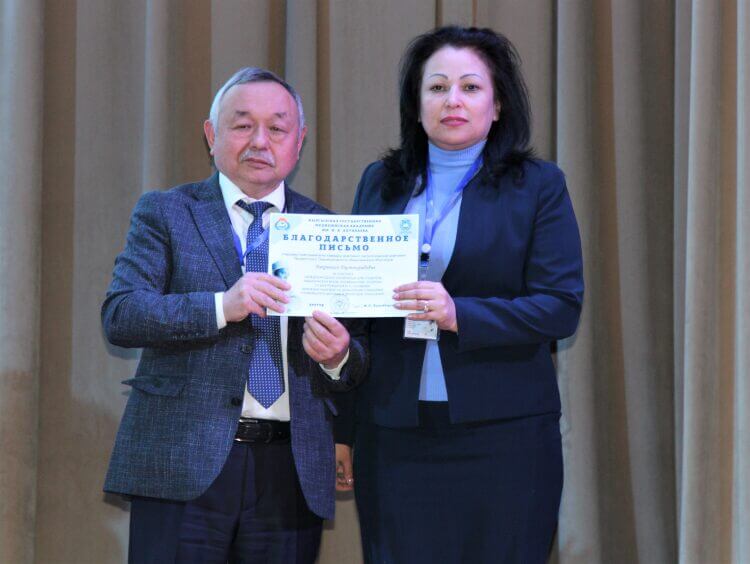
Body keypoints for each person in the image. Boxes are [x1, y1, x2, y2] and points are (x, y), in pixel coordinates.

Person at [334, 26, 584, 563]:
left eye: (470, 87)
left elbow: (560, 307)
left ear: (498, 105)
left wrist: (458, 314)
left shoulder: (538, 185)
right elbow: (358, 316)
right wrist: (344, 429)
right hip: (393, 435)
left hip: (505, 436)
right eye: (437, 87)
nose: (452, 100)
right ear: (416, 103)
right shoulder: (380, 182)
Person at [102, 67, 367, 563]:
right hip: (182, 463)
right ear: (211, 134)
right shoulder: (167, 212)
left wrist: (338, 357)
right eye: (243, 125)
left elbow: (358, 358)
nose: (260, 141)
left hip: (290, 470)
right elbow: (122, 314)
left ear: (299, 141)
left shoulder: (328, 230)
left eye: (277, 128)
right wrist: (223, 306)